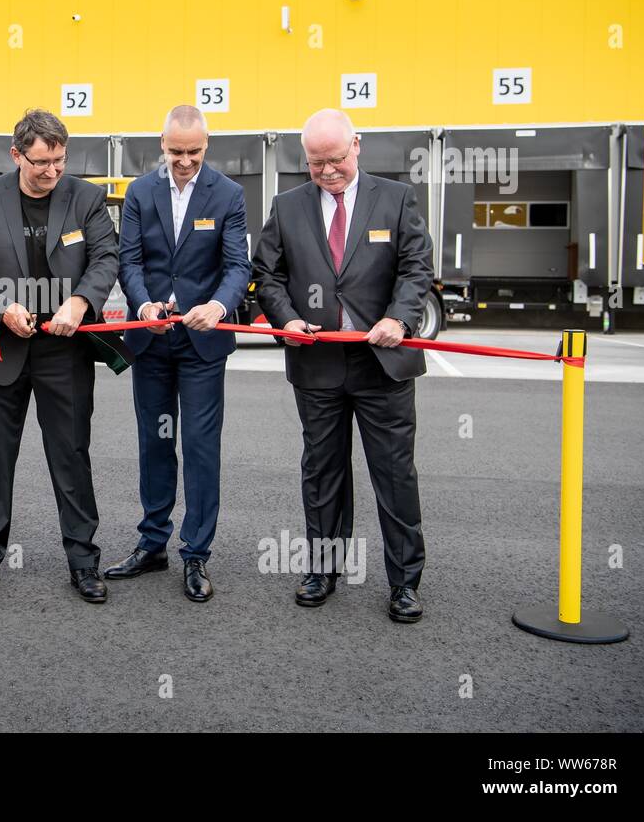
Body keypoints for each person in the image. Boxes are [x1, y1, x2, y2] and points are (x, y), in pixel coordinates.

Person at [251, 108, 433, 623]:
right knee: (323, 471)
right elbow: (267, 274)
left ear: (357, 146)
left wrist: (400, 317)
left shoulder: (396, 199)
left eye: (335, 160)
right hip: (318, 362)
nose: (328, 171)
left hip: (383, 362)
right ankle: (324, 570)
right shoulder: (287, 207)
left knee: (394, 474)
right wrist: (284, 319)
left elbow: (417, 266)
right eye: (315, 163)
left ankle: (404, 582)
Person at [0, 109, 118, 603]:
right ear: (16, 155)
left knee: (71, 455)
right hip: (2, 349)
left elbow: (106, 256)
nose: (51, 172)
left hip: (65, 350)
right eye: (40, 162)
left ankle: (84, 561)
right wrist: (1, 306)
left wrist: (81, 300)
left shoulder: (85, 197)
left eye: (60, 161)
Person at [107, 105, 250, 602]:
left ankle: (196, 554)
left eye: (193, 152)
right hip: (151, 341)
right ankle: (152, 543)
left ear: (205, 147)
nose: (185, 162)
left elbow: (238, 265)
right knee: (154, 443)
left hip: (202, 343)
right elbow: (129, 259)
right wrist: (142, 301)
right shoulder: (140, 193)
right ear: (161, 144)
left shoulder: (228, 195)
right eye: (175, 151)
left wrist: (217, 305)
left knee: (200, 446)